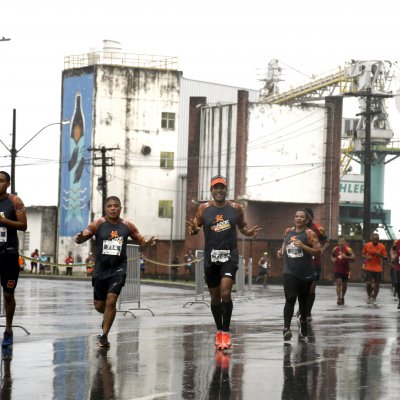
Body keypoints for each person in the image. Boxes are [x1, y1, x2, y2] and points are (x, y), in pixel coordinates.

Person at [186, 175, 261, 350]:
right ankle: (219, 331)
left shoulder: (236, 208)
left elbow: (242, 226)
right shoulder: (203, 209)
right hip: (211, 256)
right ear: (211, 190)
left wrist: (248, 232)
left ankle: (226, 333)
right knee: (214, 296)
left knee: (225, 293)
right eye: (215, 187)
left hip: (230, 255)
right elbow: (195, 228)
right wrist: (192, 229)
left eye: (222, 187)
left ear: (226, 190)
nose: (219, 190)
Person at [75, 195, 157, 348]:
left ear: (120, 208)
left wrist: (146, 242)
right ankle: (108, 316)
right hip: (100, 270)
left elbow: (141, 240)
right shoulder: (97, 224)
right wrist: (79, 238)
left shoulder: (127, 226)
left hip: (118, 269)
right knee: (100, 306)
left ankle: (104, 336)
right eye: (109, 206)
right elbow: (82, 237)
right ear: (105, 209)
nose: (113, 208)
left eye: (116, 206)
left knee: (111, 300)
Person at [277, 209, 322, 341]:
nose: (299, 219)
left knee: (303, 300)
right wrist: (280, 252)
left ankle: (303, 322)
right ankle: (286, 328)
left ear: (306, 220)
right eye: (296, 216)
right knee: (290, 298)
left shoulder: (309, 233)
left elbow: (318, 252)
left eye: (302, 217)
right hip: (289, 271)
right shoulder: (288, 231)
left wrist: (303, 246)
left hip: (305, 272)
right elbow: (285, 244)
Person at [0, 171, 28, 347]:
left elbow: (23, 225)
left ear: (8, 183)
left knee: (8, 294)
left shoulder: (15, 201)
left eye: (1, 181)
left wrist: (3, 221)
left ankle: (8, 329)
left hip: (8, 253)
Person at [303, 208, 328, 320]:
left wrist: (322, 249)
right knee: (303, 288)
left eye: (308, 216)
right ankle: (303, 308)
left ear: (312, 217)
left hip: (315, 263)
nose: (306, 218)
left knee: (311, 288)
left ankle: (308, 312)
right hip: (301, 262)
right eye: (304, 216)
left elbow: (326, 241)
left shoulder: (319, 229)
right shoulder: (298, 228)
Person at [362, 232, 388, 306]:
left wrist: (380, 255)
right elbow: (363, 253)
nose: (376, 241)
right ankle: (369, 296)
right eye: (374, 239)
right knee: (368, 283)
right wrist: (366, 257)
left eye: (377, 239)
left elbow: (386, 257)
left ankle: (374, 298)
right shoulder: (367, 245)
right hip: (369, 267)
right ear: (372, 239)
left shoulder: (382, 246)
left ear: (379, 239)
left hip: (378, 268)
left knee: (377, 284)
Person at [331, 235, 355, 305]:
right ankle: (339, 298)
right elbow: (332, 256)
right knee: (338, 281)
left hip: (346, 270)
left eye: (343, 241)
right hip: (337, 269)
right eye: (340, 241)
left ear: (345, 242)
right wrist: (333, 259)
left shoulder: (348, 249)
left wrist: (346, 257)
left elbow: (354, 257)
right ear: (338, 242)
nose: (341, 242)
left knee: (344, 285)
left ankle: (342, 297)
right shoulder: (335, 249)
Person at [389, 238, 400, 309]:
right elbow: (392, 249)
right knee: (399, 283)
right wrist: (392, 255)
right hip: (399, 266)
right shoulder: (398, 242)